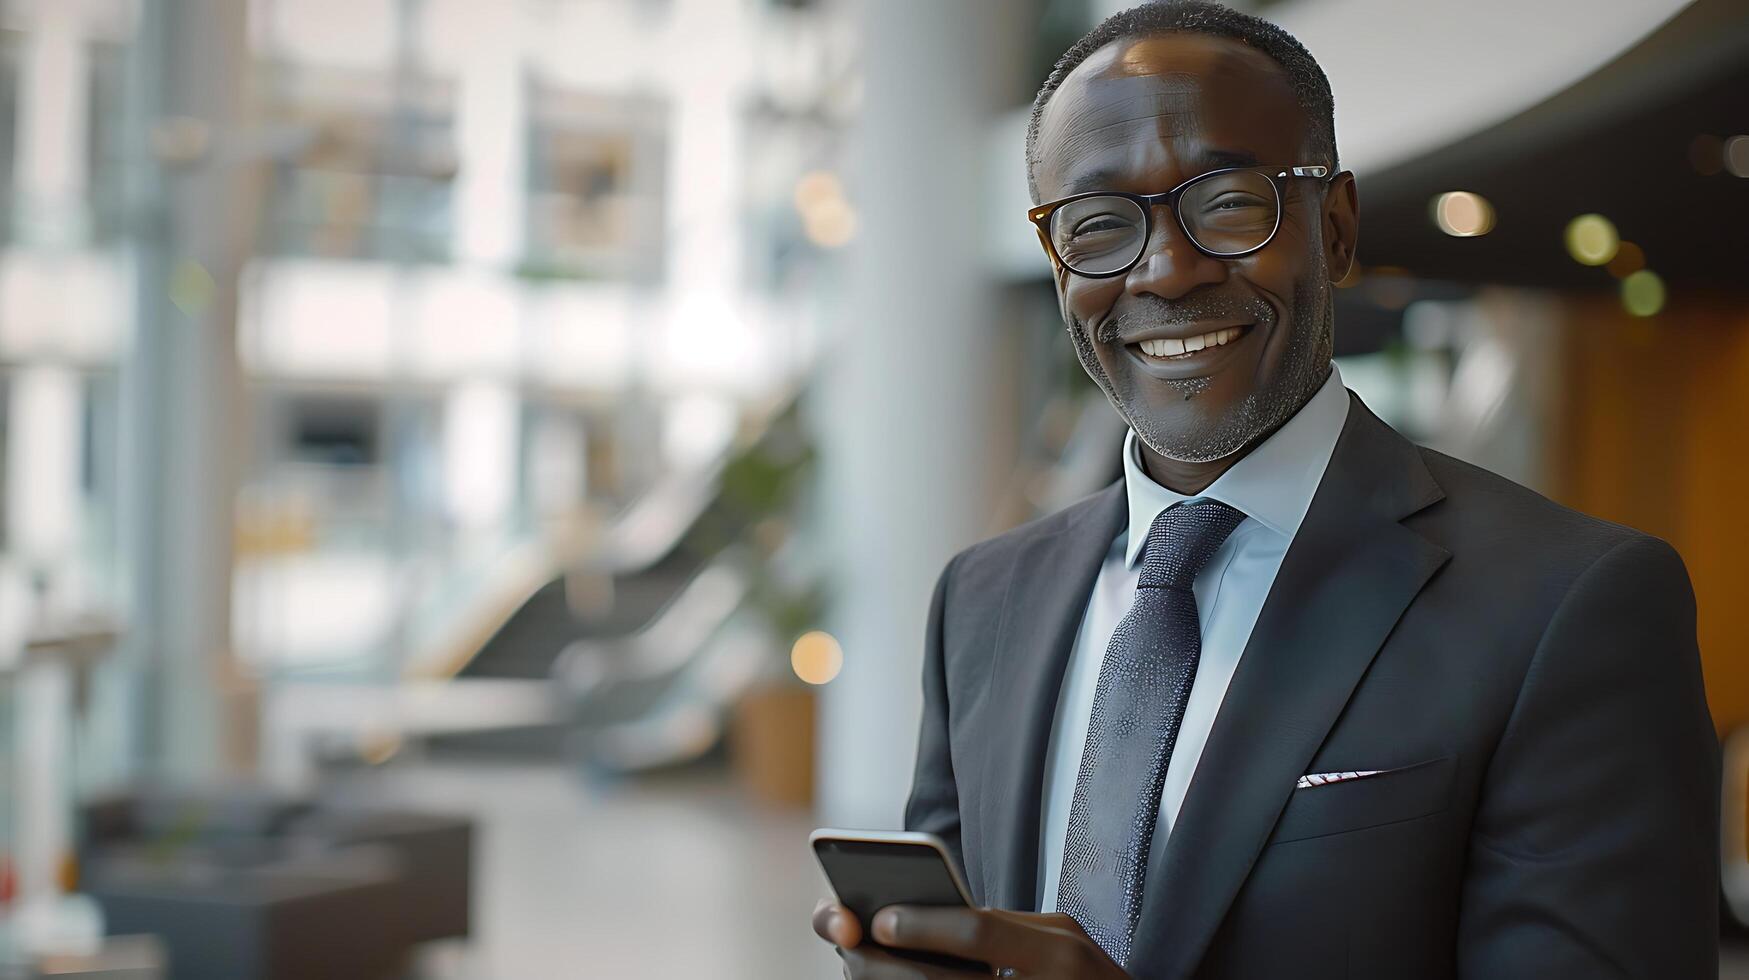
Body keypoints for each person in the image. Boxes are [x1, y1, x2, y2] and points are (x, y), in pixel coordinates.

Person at [812, 1, 1720, 977]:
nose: (1165, 268)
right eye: (1099, 224)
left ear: (1334, 228)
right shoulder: (983, 598)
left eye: (1229, 201)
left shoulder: (1569, 605)